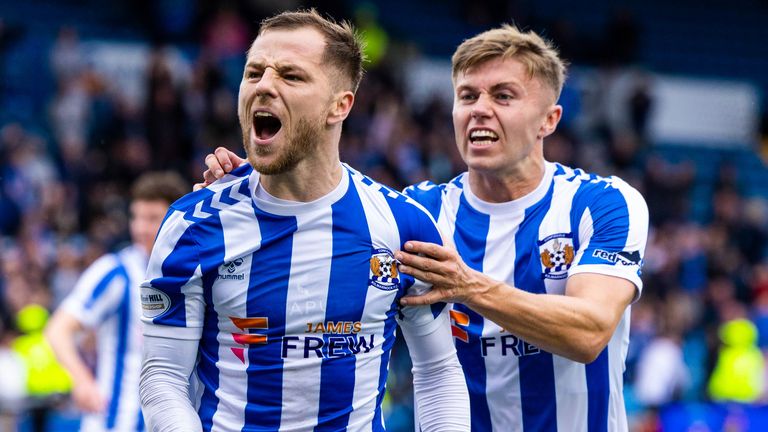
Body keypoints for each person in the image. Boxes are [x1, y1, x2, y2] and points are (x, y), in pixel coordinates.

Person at [202, 23, 649, 432]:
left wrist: (468, 286)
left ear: (548, 120)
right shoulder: (419, 212)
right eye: (468, 96)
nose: (480, 110)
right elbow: (322, 222)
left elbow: (589, 332)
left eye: (503, 96)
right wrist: (268, 182)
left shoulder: (603, 204)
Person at [139, 10, 469, 432]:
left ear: (340, 105)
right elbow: (163, 378)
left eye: (291, 76)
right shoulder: (193, 226)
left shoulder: (402, 226)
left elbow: (439, 372)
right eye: (254, 71)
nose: (264, 86)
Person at [45, 171, 187, 432]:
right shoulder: (115, 271)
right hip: (115, 423)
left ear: (176, 221)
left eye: (152, 218)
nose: (140, 228)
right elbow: (58, 329)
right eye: (136, 217)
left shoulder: (194, 276)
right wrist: (82, 381)